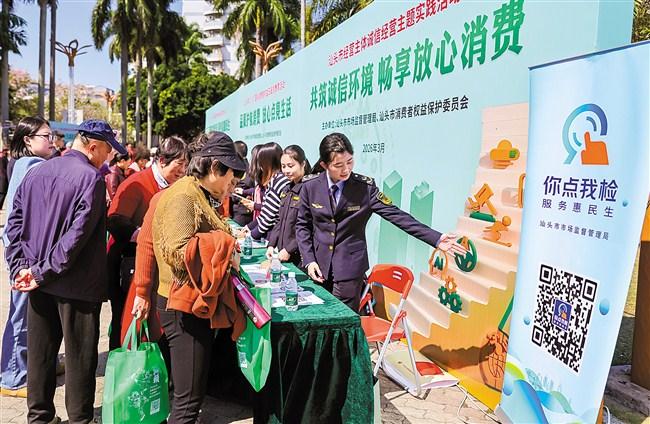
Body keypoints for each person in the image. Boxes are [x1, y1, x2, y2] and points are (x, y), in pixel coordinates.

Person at [4, 119, 127, 424]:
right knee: (79, 360)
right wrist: (38, 271)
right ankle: (79, 419)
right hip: (75, 285)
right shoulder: (91, 179)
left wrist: (22, 267)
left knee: (41, 356)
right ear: (93, 146)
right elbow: (76, 237)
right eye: (108, 151)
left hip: (39, 281)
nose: (109, 157)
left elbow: (13, 224)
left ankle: (40, 417)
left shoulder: (37, 172)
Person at [296, 133, 467, 311]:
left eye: (350, 162)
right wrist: (309, 260)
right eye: (338, 165)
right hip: (318, 266)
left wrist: (437, 239)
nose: (346, 169)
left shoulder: (365, 188)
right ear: (324, 165)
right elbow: (302, 226)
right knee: (317, 317)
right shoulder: (310, 186)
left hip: (349, 269)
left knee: (342, 320)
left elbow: (398, 216)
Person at [150, 131, 246, 424]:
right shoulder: (184, 196)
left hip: (190, 301)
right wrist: (224, 244)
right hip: (182, 305)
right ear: (215, 167)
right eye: (230, 175)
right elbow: (178, 252)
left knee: (191, 394)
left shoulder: (197, 192)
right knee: (188, 401)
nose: (231, 183)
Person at [106, 136, 189, 350]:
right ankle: (123, 363)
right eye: (179, 164)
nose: (182, 171)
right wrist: (144, 235)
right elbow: (114, 220)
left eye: (186, 165)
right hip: (128, 262)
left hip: (155, 267)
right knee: (126, 321)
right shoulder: (137, 183)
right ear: (161, 161)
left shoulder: (175, 186)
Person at [0, 117, 54, 398]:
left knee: (28, 312)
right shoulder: (31, 166)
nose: (52, 140)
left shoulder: (26, 164)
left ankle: (25, 366)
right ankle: (12, 377)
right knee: (21, 314)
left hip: (25, 251)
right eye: (46, 136)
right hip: (25, 254)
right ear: (28, 140)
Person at [266, 145, 311, 267]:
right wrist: (271, 244)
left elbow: (308, 226)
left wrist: (289, 249)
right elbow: (279, 220)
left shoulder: (309, 189)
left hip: (300, 256)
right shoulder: (286, 189)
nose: (286, 170)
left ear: (303, 164)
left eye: (291, 166)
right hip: (283, 254)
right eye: (283, 166)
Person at [243, 142, 290, 240]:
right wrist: (249, 227)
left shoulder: (278, 180)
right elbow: (265, 212)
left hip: (274, 237)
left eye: (261, 161)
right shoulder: (275, 179)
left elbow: (268, 217)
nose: (260, 166)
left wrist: (251, 236)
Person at [230, 140, 255, 226]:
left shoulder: (239, 167)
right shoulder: (250, 167)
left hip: (240, 211)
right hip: (246, 210)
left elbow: (242, 185)